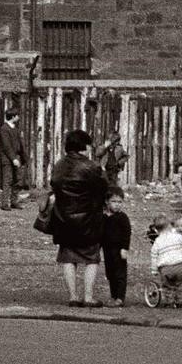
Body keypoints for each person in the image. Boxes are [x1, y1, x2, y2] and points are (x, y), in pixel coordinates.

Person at [49, 128, 108, 308]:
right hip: (88, 219)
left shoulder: (59, 165)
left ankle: (73, 296)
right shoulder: (91, 167)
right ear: (84, 147)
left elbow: (54, 185)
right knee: (91, 258)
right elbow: (103, 188)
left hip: (63, 218)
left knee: (68, 257)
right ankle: (88, 297)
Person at [101, 187, 132, 307]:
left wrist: (125, 248)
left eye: (120, 202)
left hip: (119, 249)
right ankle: (113, 295)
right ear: (107, 202)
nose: (117, 205)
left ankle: (120, 297)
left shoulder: (122, 217)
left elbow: (127, 233)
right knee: (110, 273)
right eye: (114, 201)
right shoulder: (103, 216)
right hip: (107, 249)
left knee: (120, 273)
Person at [0, 108, 27, 211]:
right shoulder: (4, 129)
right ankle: (5, 203)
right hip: (8, 159)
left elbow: (20, 145)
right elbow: (6, 146)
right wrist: (13, 159)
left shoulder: (16, 129)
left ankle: (14, 201)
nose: (18, 117)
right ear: (13, 117)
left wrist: (23, 157)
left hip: (17, 158)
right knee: (7, 180)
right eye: (17, 115)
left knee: (17, 180)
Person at [149, 213, 182, 290]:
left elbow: (154, 256)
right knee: (180, 285)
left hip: (165, 268)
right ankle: (180, 300)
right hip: (179, 267)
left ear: (156, 230)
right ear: (170, 226)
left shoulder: (157, 242)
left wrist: (154, 270)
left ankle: (169, 300)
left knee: (167, 287)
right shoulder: (177, 236)